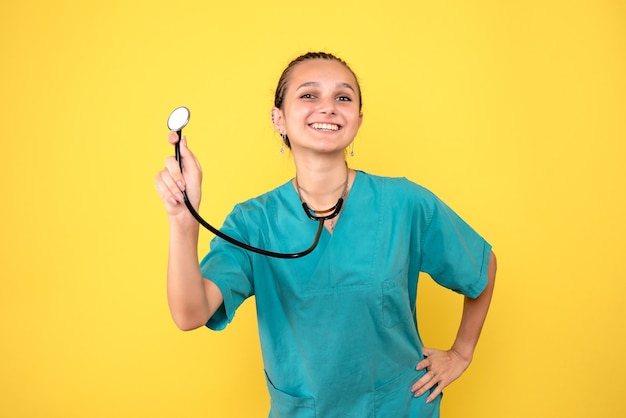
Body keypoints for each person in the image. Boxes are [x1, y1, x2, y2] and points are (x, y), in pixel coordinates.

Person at [155, 51, 497, 418]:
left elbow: (480, 265)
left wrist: (461, 353)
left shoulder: (404, 203)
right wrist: (183, 220)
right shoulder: (254, 222)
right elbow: (190, 313)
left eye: (343, 97)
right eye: (308, 95)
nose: (328, 108)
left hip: (398, 408)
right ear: (278, 118)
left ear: (358, 120)